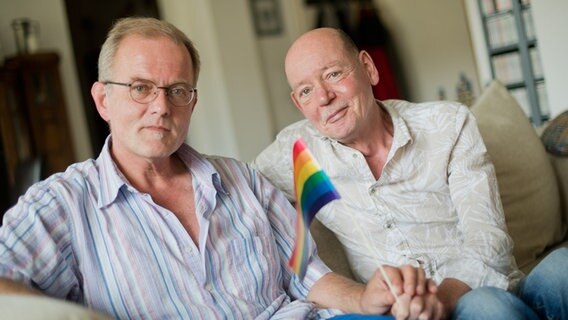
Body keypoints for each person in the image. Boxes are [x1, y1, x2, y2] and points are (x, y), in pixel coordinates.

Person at [0, 18, 444, 320]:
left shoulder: (245, 180)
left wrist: (366, 298)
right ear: (103, 100)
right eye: (140, 88)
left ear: (192, 101)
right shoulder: (64, 204)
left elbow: (309, 276)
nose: (160, 107)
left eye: (177, 90)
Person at [253, 27, 568, 319]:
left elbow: (489, 241)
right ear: (298, 103)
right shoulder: (297, 151)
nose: (323, 97)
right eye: (306, 91)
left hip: (478, 288)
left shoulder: (448, 124)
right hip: (412, 311)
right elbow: (236, 188)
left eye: (333, 74)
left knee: (561, 267)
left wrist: (438, 301)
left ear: (368, 67)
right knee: (489, 308)